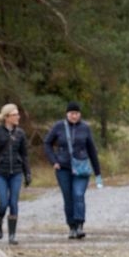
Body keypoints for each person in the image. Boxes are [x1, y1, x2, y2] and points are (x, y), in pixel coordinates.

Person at [43, 101, 101, 239]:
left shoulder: (85, 128)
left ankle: (80, 224)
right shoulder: (58, 127)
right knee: (68, 198)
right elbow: (47, 143)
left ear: (80, 114)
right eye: (71, 113)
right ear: (67, 114)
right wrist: (54, 161)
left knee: (78, 194)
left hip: (81, 168)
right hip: (63, 168)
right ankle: (72, 227)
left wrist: (97, 172)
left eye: (76, 113)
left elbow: (92, 150)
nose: (74, 116)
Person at [0, 103, 31, 245]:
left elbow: (24, 155)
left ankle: (12, 235)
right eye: (15, 114)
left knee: (14, 203)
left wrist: (27, 173)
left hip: (16, 172)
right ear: (7, 117)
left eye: (18, 114)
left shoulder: (20, 133)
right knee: (3, 203)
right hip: (0, 173)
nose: (18, 116)